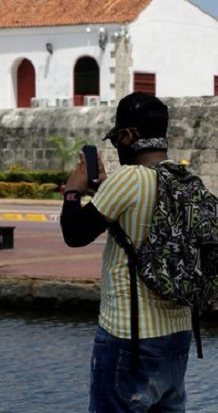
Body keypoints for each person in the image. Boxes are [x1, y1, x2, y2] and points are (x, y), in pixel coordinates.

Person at [60, 92, 193, 412]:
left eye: (118, 137)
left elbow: (75, 233)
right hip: (178, 336)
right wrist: (105, 190)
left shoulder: (129, 179)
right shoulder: (184, 178)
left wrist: (73, 191)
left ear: (129, 136)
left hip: (129, 337)